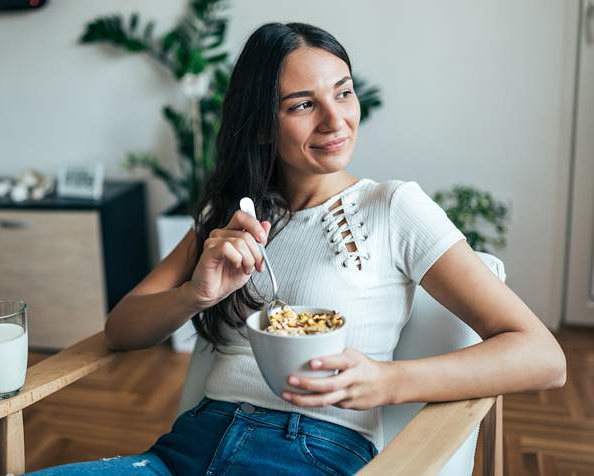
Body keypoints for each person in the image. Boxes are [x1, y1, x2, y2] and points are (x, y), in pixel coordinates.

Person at [28, 22, 566, 476]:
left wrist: (389, 381)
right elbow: (121, 332)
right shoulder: (231, 221)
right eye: (303, 104)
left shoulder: (393, 207)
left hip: (309, 451)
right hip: (185, 450)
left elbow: (542, 357)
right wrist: (196, 294)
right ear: (263, 125)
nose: (336, 120)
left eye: (344, 91)